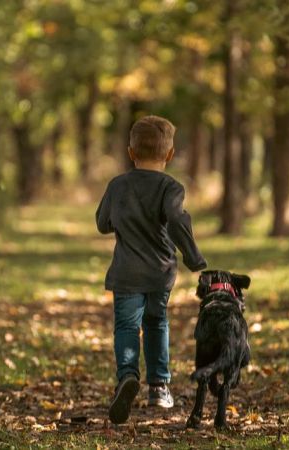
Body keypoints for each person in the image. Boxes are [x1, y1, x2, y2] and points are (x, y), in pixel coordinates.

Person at [95, 115, 208, 425]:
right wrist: (194, 257)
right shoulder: (171, 187)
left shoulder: (118, 185)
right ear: (169, 155)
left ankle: (127, 377)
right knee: (157, 322)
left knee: (127, 326)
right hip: (160, 273)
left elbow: (103, 223)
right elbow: (176, 220)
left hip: (126, 273)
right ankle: (159, 387)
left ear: (131, 152)